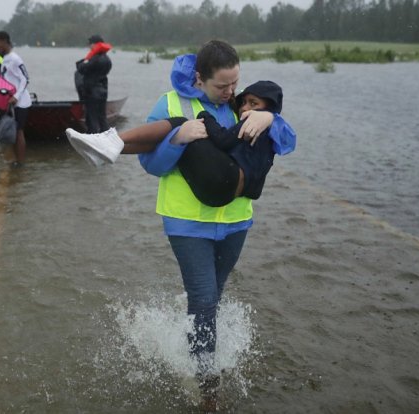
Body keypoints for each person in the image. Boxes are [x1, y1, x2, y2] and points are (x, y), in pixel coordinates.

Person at [89, 40, 295, 410]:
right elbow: (152, 166)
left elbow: (286, 143)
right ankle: (208, 390)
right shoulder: (170, 104)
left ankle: (195, 347)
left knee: (211, 299)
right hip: (187, 223)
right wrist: (176, 139)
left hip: (235, 223)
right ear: (200, 78)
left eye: (235, 84)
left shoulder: (242, 104)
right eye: (222, 86)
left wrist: (272, 119)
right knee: (203, 301)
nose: (231, 93)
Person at [66, 80, 296, 206]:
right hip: (221, 197)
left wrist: (206, 118)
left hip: (224, 186)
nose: (245, 108)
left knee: (179, 123)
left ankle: (111, 143)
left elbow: (226, 142)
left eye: (254, 103)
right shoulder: (260, 127)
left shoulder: (257, 122)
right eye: (245, 102)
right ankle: (106, 148)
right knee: (178, 132)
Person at [0, 31, 32, 166]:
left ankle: (21, 163)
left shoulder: (15, 58)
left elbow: (25, 79)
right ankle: (14, 160)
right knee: (12, 132)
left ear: (5, 41)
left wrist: (16, 96)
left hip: (21, 102)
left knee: (19, 131)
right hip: (10, 102)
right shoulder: (5, 58)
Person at [75, 35, 112, 134]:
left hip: (91, 92)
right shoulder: (107, 59)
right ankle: (107, 137)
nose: (89, 46)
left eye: (90, 44)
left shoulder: (94, 59)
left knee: (91, 119)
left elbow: (81, 68)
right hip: (103, 92)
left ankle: (92, 137)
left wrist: (82, 62)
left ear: (95, 44)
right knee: (102, 118)